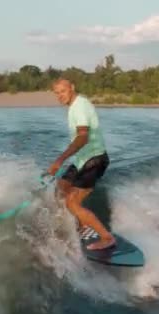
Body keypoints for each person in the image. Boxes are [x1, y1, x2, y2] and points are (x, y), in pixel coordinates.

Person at [47, 78, 115, 250]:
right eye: (57, 93)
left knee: (72, 203)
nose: (59, 96)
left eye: (63, 91)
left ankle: (106, 238)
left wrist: (60, 160)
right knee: (61, 187)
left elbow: (83, 136)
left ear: (72, 88)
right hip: (81, 160)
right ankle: (82, 224)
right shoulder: (74, 106)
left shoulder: (80, 106)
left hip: (94, 160)